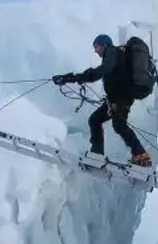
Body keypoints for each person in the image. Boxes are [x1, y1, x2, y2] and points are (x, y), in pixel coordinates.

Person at [53, 35, 152, 167]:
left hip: (121, 98)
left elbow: (101, 71)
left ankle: (141, 155)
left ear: (104, 44)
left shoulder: (112, 52)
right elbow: (102, 72)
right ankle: (97, 154)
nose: (96, 51)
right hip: (116, 99)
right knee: (95, 120)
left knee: (119, 125)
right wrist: (71, 78)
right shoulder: (115, 56)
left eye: (97, 46)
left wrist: (71, 79)